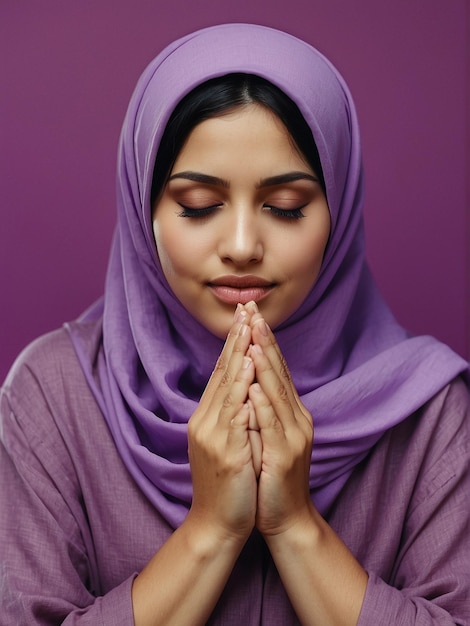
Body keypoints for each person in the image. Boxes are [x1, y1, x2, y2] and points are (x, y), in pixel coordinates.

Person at [0, 23, 468, 626]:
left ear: (339, 209)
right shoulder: (52, 396)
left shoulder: (428, 414)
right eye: (199, 206)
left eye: (286, 206)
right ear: (145, 210)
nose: (244, 246)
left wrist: (296, 526)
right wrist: (210, 530)